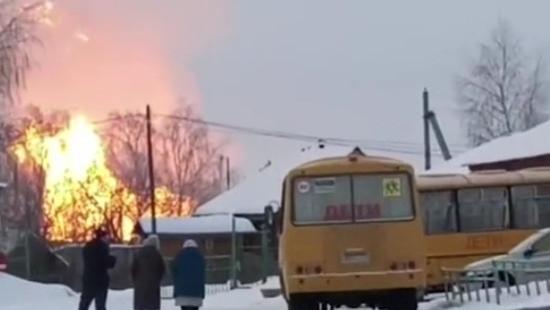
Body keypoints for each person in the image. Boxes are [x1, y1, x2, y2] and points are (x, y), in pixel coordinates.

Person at [78, 228, 117, 310]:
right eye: (106, 237)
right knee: (100, 305)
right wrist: (112, 259)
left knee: (84, 304)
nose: (108, 239)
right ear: (102, 237)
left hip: (88, 279)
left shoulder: (87, 247)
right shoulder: (102, 247)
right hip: (100, 281)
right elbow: (105, 262)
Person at [131, 234, 166, 310]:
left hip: (140, 287)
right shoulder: (157, 255)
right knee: (152, 306)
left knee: (141, 305)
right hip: (153, 287)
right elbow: (162, 270)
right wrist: (157, 280)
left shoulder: (138, 254)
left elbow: (133, 270)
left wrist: (137, 281)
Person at [172, 239, 206, 310]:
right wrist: (202, 294)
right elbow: (202, 273)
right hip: (196, 292)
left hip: (182, 292)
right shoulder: (199, 256)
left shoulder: (179, 256)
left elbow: (173, 271)